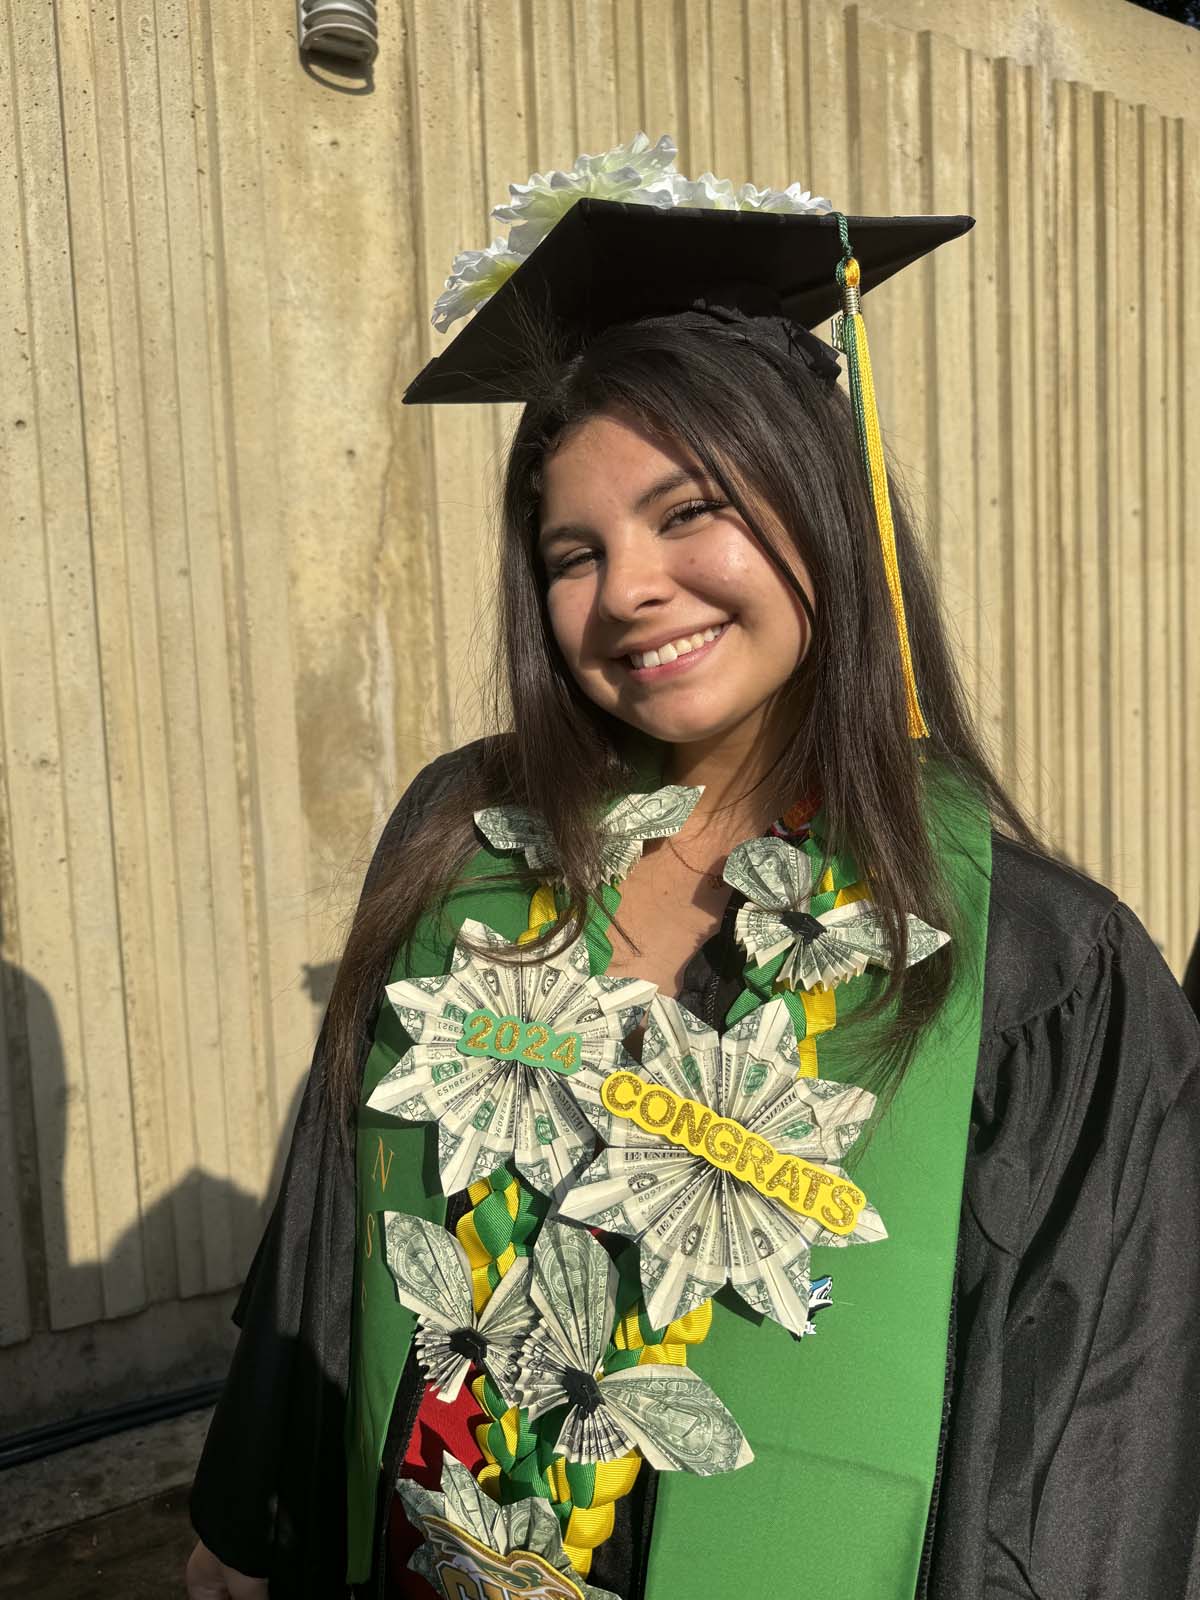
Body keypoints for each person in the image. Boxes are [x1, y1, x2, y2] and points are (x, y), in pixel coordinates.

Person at [186, 134, 1200, 1600]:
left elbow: (1092, 1442)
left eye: (689, 512)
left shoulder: (1043, 970)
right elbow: (338, 1218)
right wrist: (253, 1514)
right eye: (571, 551)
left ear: (827, 511)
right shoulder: (464, 840)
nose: (630, 590)